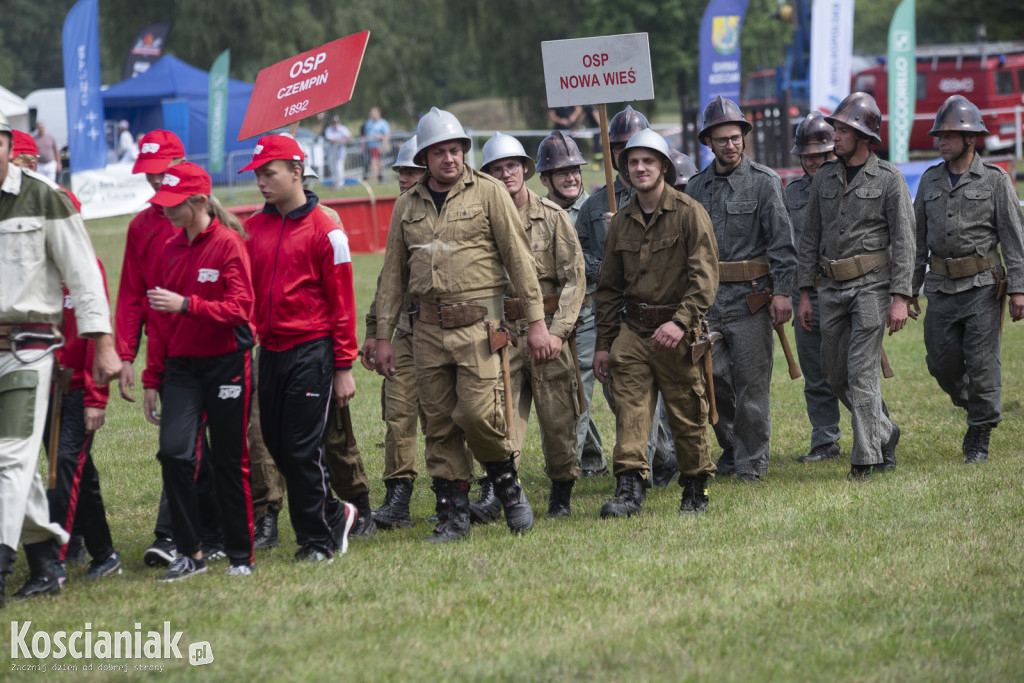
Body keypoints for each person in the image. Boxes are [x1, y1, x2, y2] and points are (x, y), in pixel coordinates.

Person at [373, 107, 547, 542]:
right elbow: (393, 277)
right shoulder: (404, 206)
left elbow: (520, 261)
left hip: (479, 327)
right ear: (425, 158)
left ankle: (506, 483)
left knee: (475, 413)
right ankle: (453, 515)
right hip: (427, 330)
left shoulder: (489, 192)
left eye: (455, 150)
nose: (449, 159)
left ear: (463, 151)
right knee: (439, 424)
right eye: (439, 152)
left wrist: (539, 323)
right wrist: (382, 338)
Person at [0, 111, 120, 605]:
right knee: (21, 468)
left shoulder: (45, 197)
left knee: (9, 457)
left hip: (28, 350)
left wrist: (105, 344)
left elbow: (85, 276)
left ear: (7, 144)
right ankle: (46, 566)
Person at [240, 134, 358, 563]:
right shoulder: (253, 229)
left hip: (312, 351)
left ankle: (317, 541)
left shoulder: (328, 231)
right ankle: (334, 511)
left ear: (296, 172)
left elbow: (343, 303)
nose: (261, 183)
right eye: (257, 176)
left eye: (268, 174)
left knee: (302, 447)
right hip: (269, 352)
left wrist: (343, 367)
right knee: (275, 441)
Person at [593, 128, 720, 517]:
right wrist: (604, 343)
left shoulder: (688, 212)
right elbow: (610, 287)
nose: (640, 168)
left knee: (686, 409)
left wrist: (681, 323)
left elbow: (705, 278)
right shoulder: (621, 222)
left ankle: (695, 488)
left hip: (676, 331)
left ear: (664, 166)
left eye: (648, 161)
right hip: (633, 332)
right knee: (630, 409)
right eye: (633, 162)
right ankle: (630, 489)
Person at [140, 162, 256, 581]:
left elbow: (242, 310)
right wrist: (153, 379)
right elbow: (159, 322)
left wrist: (188, 304)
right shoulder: (168, 248)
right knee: (174, 453)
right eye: (162, 203)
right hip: (182, 368)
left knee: (229, 459)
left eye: (174, 204)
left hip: (227, 362)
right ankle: (191, 552)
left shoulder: (228, 244)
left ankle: (241, 554)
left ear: (200, 202)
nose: (166, 211)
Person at [116, 130, 223, 568]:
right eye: (149, 176)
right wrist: (125, 356)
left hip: (213, 350)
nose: (157, 185)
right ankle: (202, 530)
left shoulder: (214, 222)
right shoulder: (141, 226)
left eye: (163, 174)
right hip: (168, 353)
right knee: (185, 443)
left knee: (187, 443)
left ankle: (178, 533)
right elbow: (130, 295)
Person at [797, 92, 915, 480]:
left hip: (872, 288)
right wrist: (804, 293)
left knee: (861, 372)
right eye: (836, 128)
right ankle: (885, 431)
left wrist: (900, 296)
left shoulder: (890, 179)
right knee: (834, 374)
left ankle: (865, 459)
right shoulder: (825, 178)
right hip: (830, 290)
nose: (835, 136)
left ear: (864, 135)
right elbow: (810, 237)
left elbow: (905, 240)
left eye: (843, 130)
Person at [685, 96, 797, 483]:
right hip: (707, 303)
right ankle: (732, 445)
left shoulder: (765, 183)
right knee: (709, 378)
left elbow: (783, 244)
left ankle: (752, 462)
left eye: (735, 138)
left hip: (751, 301)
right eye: (721, 140)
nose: (730, 145)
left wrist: (783, 292)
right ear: (709, 143)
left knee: (752, 384)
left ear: (744, 138)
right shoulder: (695, 188)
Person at [477, 132, 586, 518]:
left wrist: (558, 334)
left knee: (558, 419)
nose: (505, 174)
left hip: (548, 333)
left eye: (511, 166)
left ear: (525, 169)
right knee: (500, 417)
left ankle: (561, 492)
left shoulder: (553, 217)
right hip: (500, 334)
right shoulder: (481, 220)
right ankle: (497, 491)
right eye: (495, 168)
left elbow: (575, 279)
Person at [911, 95, 1024, 463]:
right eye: (939, 135)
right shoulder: (929, 180)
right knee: (940, 363)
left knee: (982, 362)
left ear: (970, 138)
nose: (941, 141)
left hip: (983, 288)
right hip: (941, 288)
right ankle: (976, 404)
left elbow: (1013, 237)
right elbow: (916, 240)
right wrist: (907, 289)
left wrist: (1020, 289)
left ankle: (980, 432)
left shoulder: (995, 179)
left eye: (949, 135)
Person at [574, 106, 677, 484]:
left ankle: (641, 470)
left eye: (636, 148)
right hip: (613, 314)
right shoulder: (595, 205)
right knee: (620, 396)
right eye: (619, 147)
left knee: (658, 394)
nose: (629, 156)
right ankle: (660, 455)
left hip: (658, 312)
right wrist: (604, 263)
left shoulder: (670, 199)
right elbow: (577, 253)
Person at [363, 137, 428, 529]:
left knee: (449, 418)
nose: (403, 179)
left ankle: (455, 490)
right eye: (401, 172)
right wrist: (375, 330)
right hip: (404, 331)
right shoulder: (400, 214)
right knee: (398, 413)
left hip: (451, 329)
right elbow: (389, 279)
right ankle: (398, 496)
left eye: (410, 171)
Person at [785, 113, 843, 464]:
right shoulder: (790, 194)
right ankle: (825, 440)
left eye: (821, 156)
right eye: (807, 157)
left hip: (844, 293)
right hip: (805, 294)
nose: (813, 162)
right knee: (815, 373)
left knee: (851, 372)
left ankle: (877, 429)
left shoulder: (849, 185)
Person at [363, 107, 391, 183]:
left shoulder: (383, 123)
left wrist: (380, 136)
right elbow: (365, 135)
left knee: (376, 162)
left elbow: (388, 135)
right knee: (374, 162)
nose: (371, 115)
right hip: (370, 146)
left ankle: (377, 178)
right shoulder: (369, 122)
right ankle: (378, 178)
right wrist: (363, 145)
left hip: (379, 146)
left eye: (373, 114)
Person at [324, 116, 352, 185]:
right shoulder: (328, 129)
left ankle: (340, 184)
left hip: (340, 151)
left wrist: (342, 141)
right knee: (333, 168)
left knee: (339, 167)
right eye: (334, 123)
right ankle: (335, 183)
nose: (335, 124)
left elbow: (349, 136)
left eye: (336, 122)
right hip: (332, 151)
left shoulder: (343, 128)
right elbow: (329, 139)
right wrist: (340, 141)